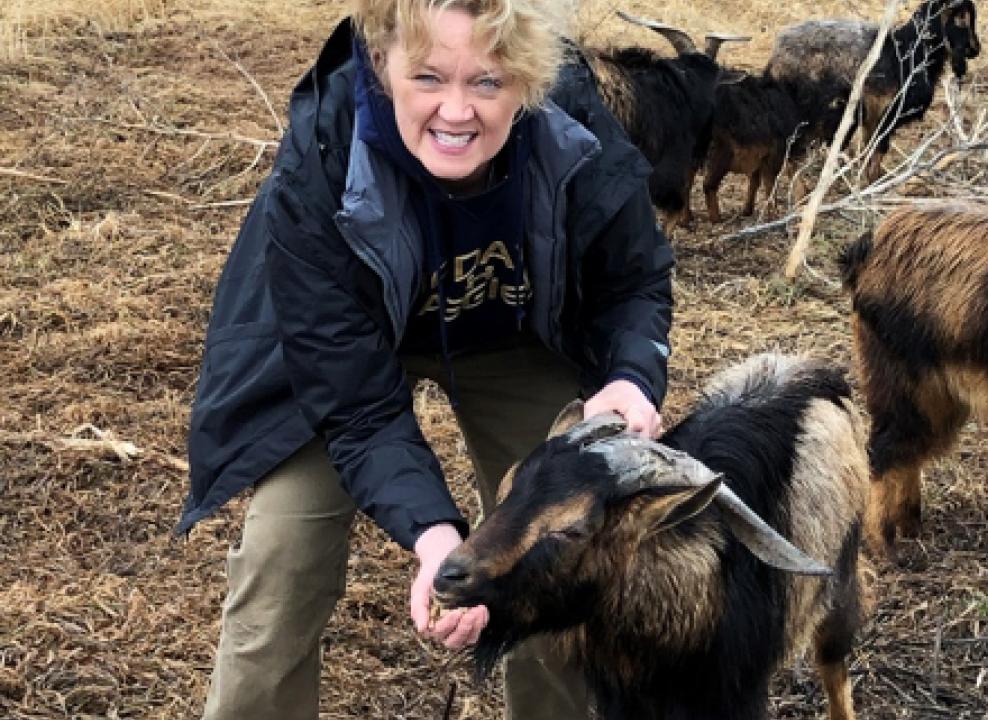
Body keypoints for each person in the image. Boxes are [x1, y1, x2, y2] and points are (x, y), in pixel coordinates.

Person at [175, 0, 674, 717]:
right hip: (345, 357)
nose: (456, 111)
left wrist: (630, 376)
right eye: (430, 77)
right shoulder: (324, 155)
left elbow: (635, 278)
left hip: (510, 332)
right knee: (281, 567)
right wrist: (437, 540)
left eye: (488, 83)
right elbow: (355, 401)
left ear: (528, 81)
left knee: (559, 547)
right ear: (382, 65)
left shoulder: (570, 125)